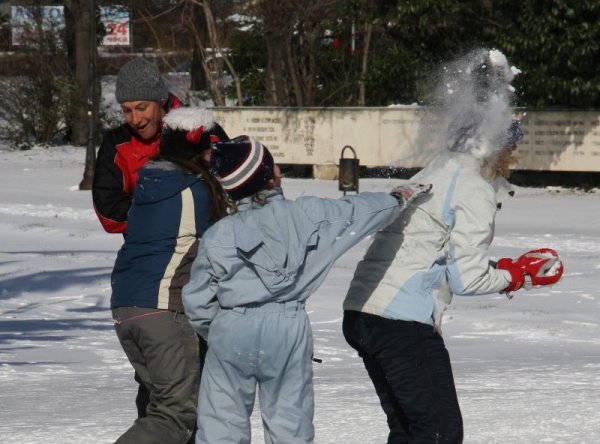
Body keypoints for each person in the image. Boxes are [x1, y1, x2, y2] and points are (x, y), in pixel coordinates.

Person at [181, 136, 432, 444]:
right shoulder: (308, 215)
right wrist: (397, 199)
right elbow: (358, 211)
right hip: (287, 328)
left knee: (222, 426)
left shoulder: (218, 235)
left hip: (231, 328)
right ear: (270, 175)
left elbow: (197, 299)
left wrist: (218, 329)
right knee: (290, 425)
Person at [342, 117, 564, 443]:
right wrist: (516, 276)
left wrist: (500, 267)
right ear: (493, 148)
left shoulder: (432, 173)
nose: (514, 153)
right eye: (511, 144)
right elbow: (467, 280)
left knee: (408, 430)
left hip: (362, 313)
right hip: (401, 322)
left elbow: (435, 253)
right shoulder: (473, 187)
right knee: (439, 432)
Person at [92, 57, 228, 418]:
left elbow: (236, 184)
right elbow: (107, 210)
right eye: (126, 110)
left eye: (141, 108)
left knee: (211, 381)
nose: (134, 119)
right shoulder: (117, 144)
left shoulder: (199, 130)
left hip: (208, 272)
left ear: (161, 100)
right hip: (156, 282)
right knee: (162, 394)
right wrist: (160, 215)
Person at [110, 107, 230, 444]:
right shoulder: (195, 191)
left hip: (126, 308)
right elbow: (226, 245)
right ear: (197, 150)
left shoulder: (150, 182)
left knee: (162, 408)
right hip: (163, 308)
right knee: (175, 415)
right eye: (211, 149)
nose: (214, 157)